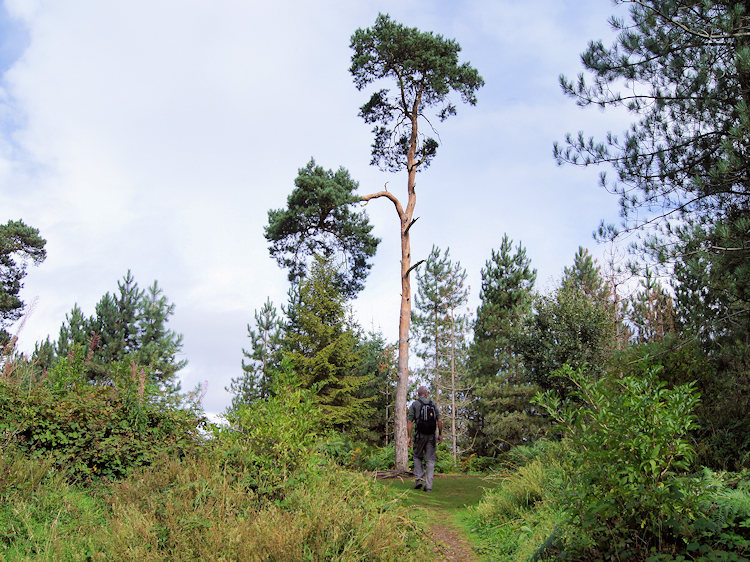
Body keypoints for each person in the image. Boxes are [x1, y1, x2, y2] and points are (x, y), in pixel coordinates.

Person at [407, 386, 442, 492]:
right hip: (431, 436)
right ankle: (429, 486)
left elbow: (409, 422)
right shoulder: (433, 404)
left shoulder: (415, 404)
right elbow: (439, 420)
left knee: (417, 457)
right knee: (430, 460)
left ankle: (418, 479)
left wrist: (409, 437)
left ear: (418, 394)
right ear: (426, 393)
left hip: (419, 435)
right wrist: (440, 434)